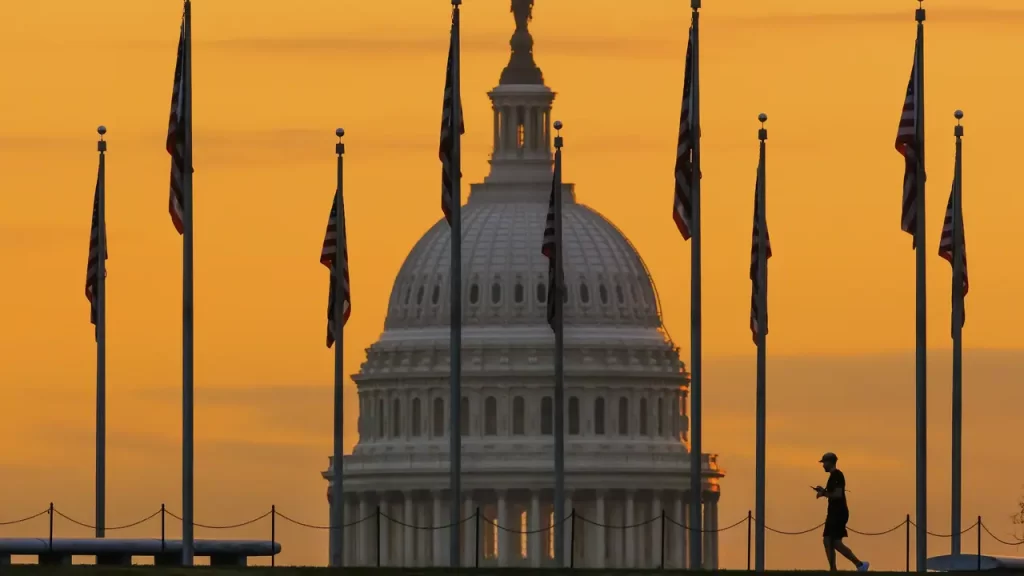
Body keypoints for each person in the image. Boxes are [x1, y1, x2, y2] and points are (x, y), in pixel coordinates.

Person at [814, 452, 869, 572]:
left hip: (839, 513)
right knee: (827, 540)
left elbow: (837, 494)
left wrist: (823, 493)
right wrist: (824, 491)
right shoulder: (833, 476)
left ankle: (860, 565)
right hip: (833, 512)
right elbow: (833, 494)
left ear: (830, 462)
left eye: (824, 463)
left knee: (835, 542)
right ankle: (833, 568)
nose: (823, 465)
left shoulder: (838, 475)